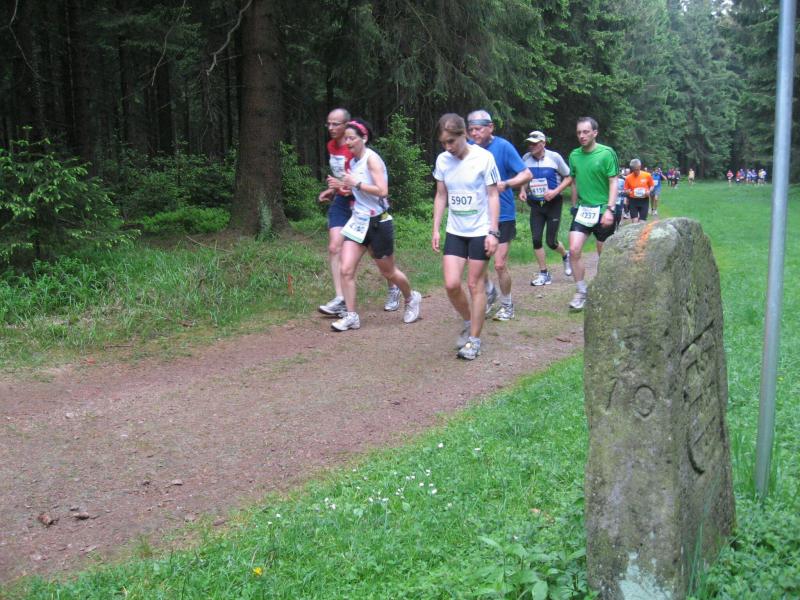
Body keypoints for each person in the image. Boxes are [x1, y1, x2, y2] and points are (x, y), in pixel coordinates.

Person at [327, 119, 421, 331]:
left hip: (379, 221)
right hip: (358, 221)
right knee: (346, 269)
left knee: (389, 272)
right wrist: (339, 186)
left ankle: (411, 297)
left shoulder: (372, 160)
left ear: (364, 138)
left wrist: (356, 183)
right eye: (346, 138)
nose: (348, 142)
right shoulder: (353, 162)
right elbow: (355, 190)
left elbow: (382, 191)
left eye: (352, 138)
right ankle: (351, 316)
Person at [318, 108, 400, 317]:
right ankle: (341, 299)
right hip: (343, 200)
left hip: (363, 203)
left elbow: (366, 183)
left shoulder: (358, 150)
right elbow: (343, 177)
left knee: (376, 253)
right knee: (334, 246)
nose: (331, 128)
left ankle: (394, 287)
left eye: (336, 124)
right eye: (328, 123)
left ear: (347, 126)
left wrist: (347, 186)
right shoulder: (331, 146)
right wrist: (334, 190)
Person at [432, 113, 500, 360]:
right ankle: (469, 320)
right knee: (451, 284)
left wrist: (493, 231)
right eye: (443, 143)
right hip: (455, 229)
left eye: (451, 141)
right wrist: (436, 228)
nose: (448, 147)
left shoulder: (484, 158)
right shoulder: (443, 160)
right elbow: (441, 195)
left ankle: (474, 340)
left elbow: (493, 195)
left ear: (464, 135)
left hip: (480, 230)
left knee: (474, 284)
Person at [466, 110, 532, 321]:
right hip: (477, 215)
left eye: (478, 129)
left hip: (503, 214)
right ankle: (489, 291)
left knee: (499, 264)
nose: (474, 133)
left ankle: (507, 304)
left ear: (490, 127)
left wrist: (507, 184)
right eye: (471, 129)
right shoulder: (467, 148)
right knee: (474, 262)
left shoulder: (503, 147)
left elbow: (526, 174)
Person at [567, 117, 619, 311]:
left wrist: (610, 209)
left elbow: (613, 181)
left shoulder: (607, 153)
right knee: (574, 250)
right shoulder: (574, 155)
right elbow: (574, 182)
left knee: (603, 253)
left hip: (604, 209)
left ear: (595, 133)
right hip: (583, 210)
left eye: (586, 132)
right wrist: (574, 205)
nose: (581, 135)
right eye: (579, 132)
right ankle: (581, 292)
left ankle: (608, 289)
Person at [519, 130, 573, 286]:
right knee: (536, 239)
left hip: (553, 203)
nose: (531, 146)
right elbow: (525, 176)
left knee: (551, 242)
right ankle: (544, 273)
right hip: (536, 204)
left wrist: (555, 191)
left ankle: (565, 255)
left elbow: (568, 177)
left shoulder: (554, 157)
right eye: (529, 143)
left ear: (543, 143)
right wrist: (523, 190)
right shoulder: (526, 158)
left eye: (534, 143)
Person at [624, 158, 655, 223]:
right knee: (634, 222)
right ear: (632, 169)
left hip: (644, 200)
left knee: (642, 222)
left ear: (640, 167)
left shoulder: (647, 175)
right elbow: (625, 190)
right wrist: (628, 192)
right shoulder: (628, 178)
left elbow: (652, 186)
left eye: (637, 169)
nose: (636, 171)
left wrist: (649, 191)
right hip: (633, 201)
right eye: (634, 170)